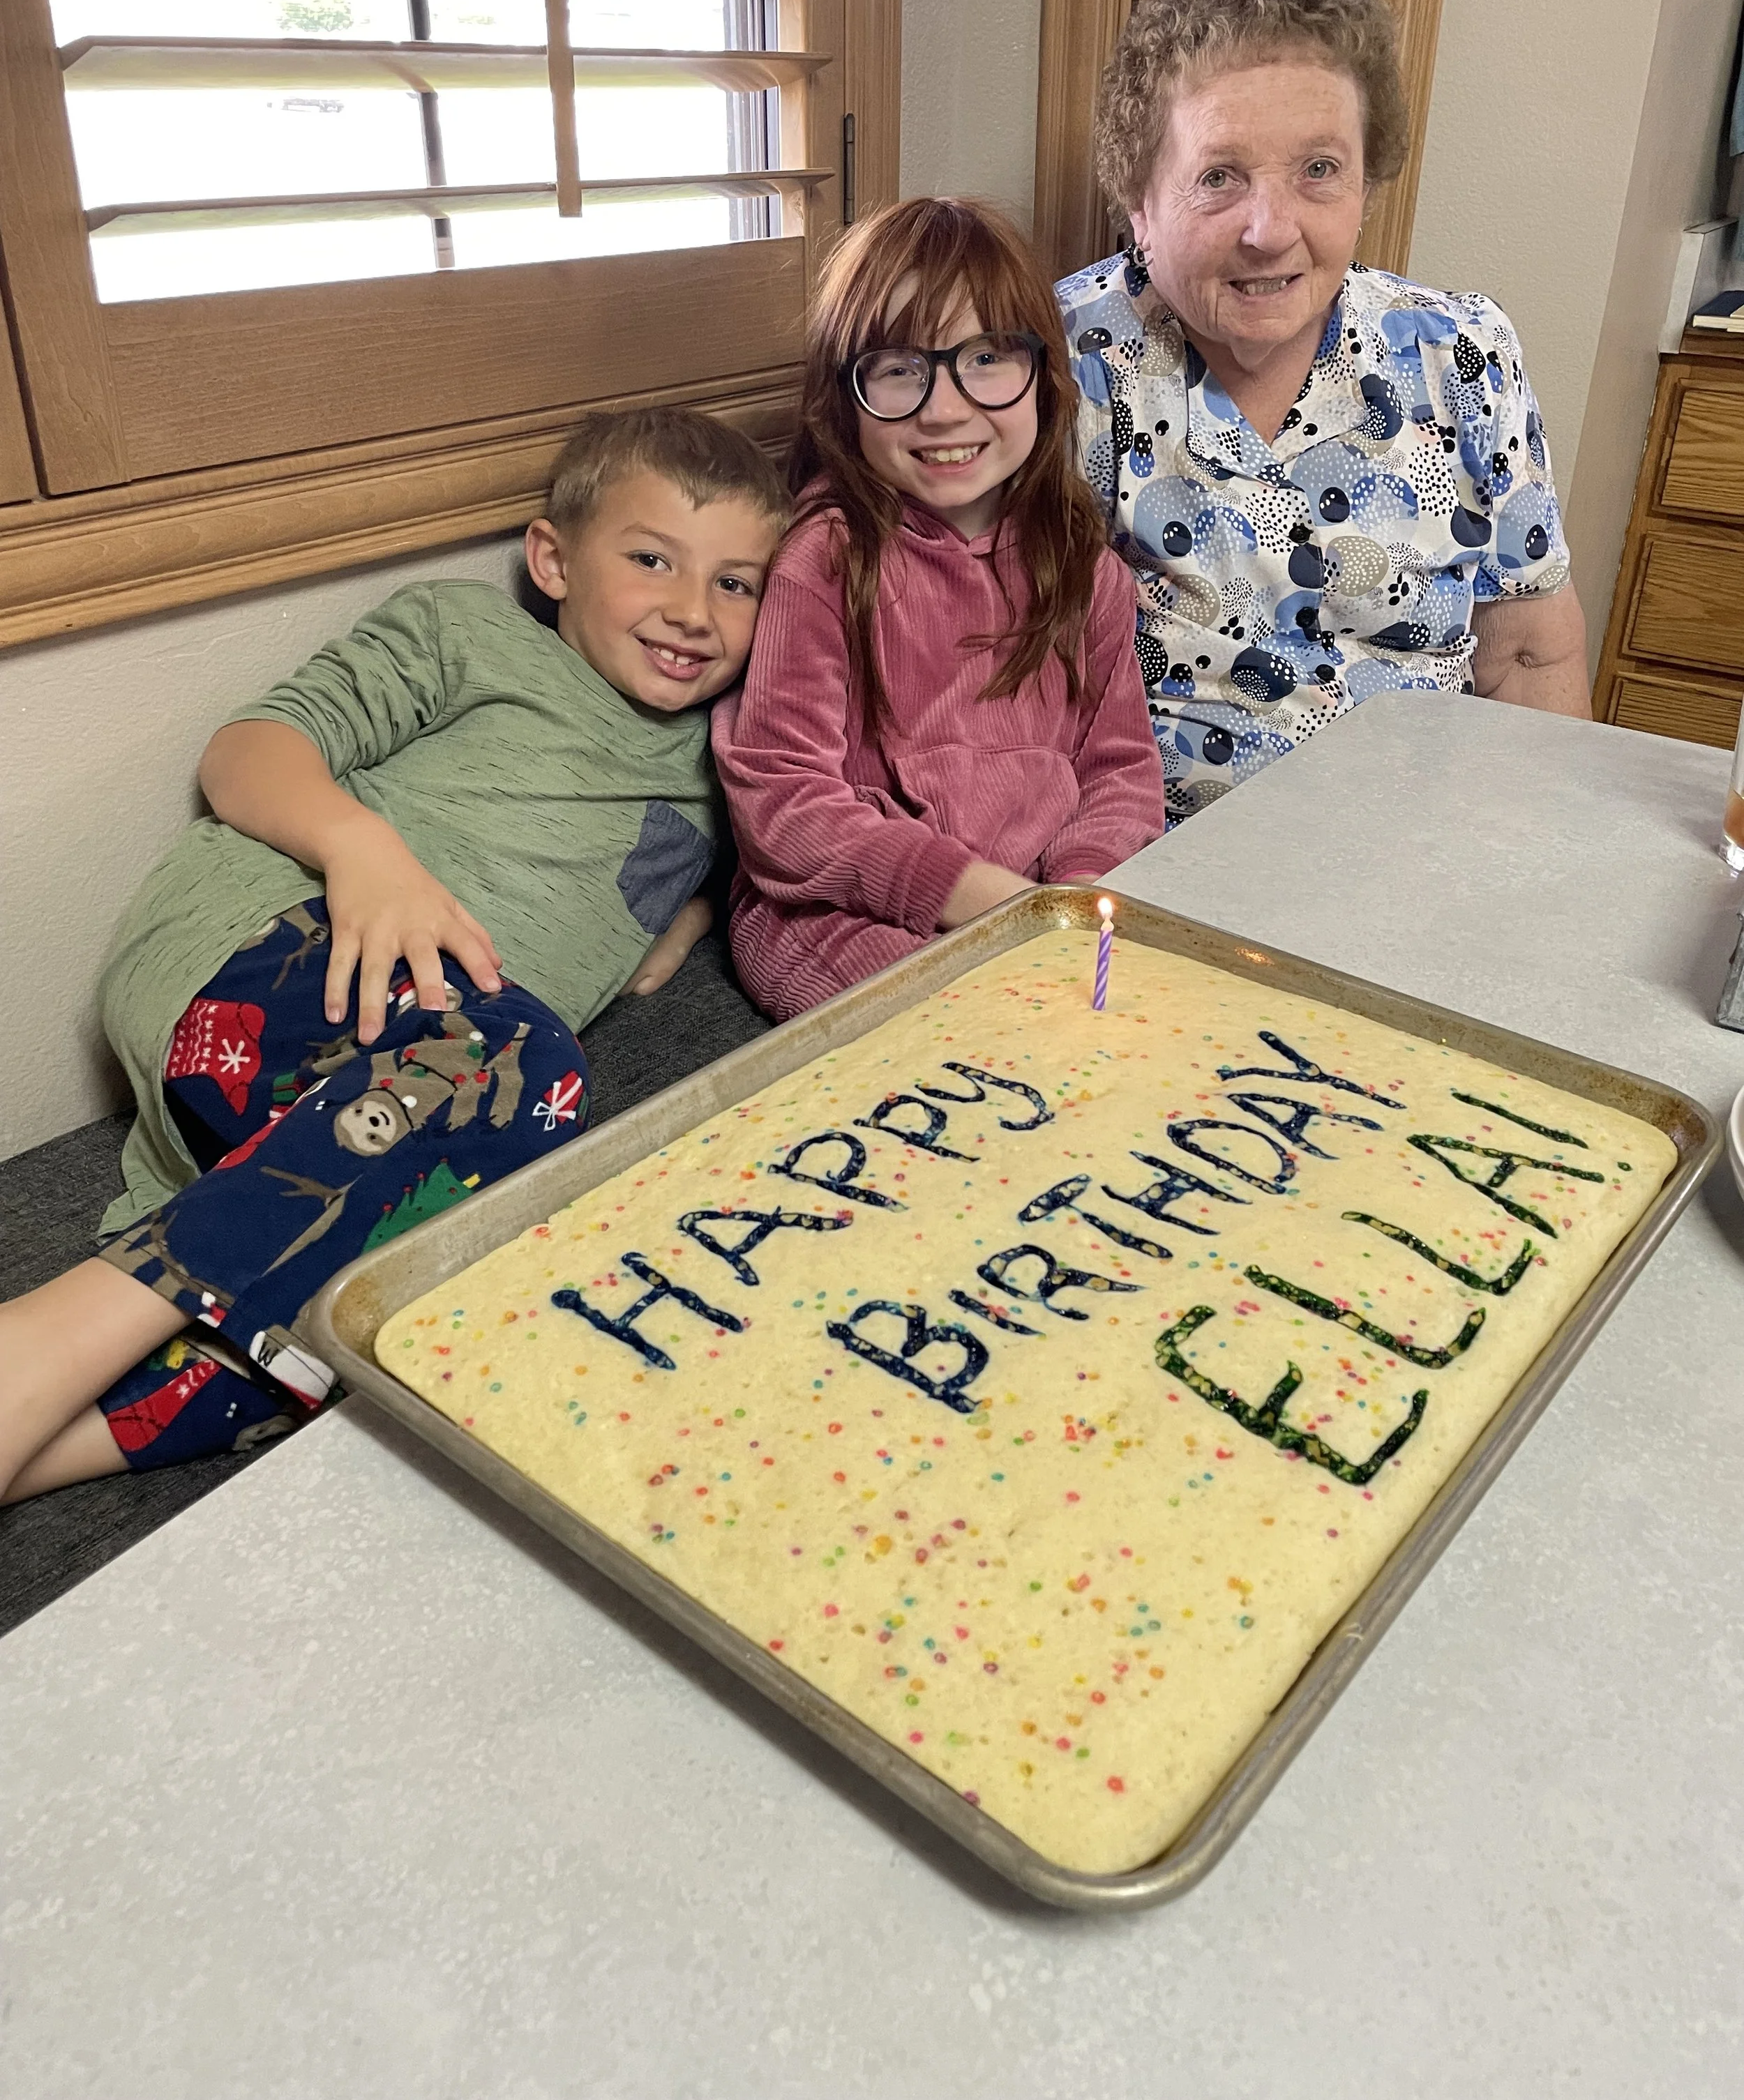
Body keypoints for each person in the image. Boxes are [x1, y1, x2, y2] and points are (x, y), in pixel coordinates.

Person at [0, 405, 787, 1502]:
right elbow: (247, 751)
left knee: (446, 1286)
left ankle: (51, 1443)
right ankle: (30, 1346)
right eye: (652, 559)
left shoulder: (732, 748)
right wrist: (363, 851)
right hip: (272, 946)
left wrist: (694, 913)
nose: (692, 611)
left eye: (737, 583)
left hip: (393, 1090)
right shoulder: (471, 634)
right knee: (524, 1062)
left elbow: (700, 901)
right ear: (553, 560)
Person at [1058, 0, 1591, 825]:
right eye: (1219, 177)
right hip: (1159, 874)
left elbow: (1528, 656)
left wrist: (1520, 871)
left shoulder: (1464, 355)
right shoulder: (1064, 367)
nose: (1271, 229)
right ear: (1139, 203)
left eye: (1318, 170)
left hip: (1416, 858)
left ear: (1366, 185)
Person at [714, 195, 1167, 1020]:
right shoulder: (826, 559)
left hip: (1038, 901)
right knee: (969, 1036)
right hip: (843, 909)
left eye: (987, 357)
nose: (945, 407)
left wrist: (1080, 888)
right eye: (898, 368)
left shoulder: (1085, 573)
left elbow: (1121, 774)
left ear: (1044, 376)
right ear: (846, 398)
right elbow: (785, 803)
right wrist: (978, 897)